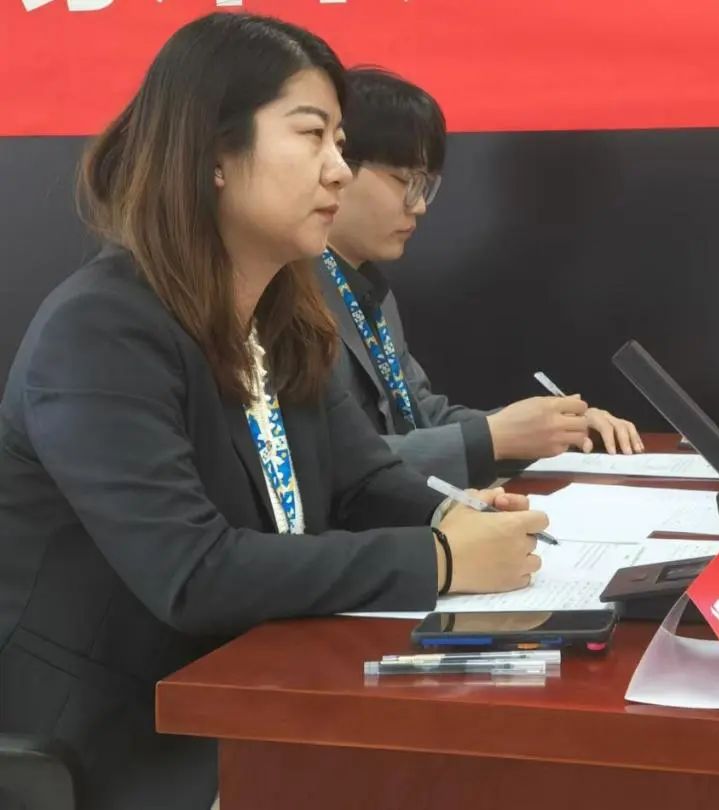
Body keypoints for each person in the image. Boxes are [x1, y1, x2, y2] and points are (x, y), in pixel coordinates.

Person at [0, 14, 544, 810]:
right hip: (124, 737)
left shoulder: (283, 316)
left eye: (341, 144)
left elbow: (363, 484)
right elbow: (193, 573)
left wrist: (457, 515)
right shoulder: (101, 329)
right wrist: (441, 559)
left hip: (264, 683)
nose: (338, 171)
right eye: (313, 136)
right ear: (215, 153)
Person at [318, 68, 645, 489]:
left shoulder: (368, 288)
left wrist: (547, 428)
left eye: (425, 186)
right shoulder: (290, 299)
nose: (419, 206)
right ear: (339, 167)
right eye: (405, 181)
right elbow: (333, 464)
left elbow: (420, 415)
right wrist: (494, 437)